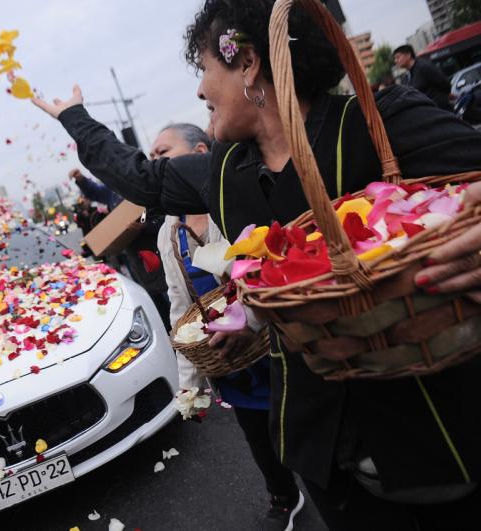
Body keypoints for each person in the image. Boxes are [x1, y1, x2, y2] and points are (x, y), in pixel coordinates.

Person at [32, 0, 481, 527]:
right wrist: (75, 119)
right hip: (323, 447)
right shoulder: (222, 171)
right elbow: (139, 178)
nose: (199, 91)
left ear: (247, 63)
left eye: (204, 70)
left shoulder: (379, 121)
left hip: (441, 432)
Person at [154, 122, 303, 529]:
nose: (154, 165)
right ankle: (284, 496)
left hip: (273, 338)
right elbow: (178, 305)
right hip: (227, 355)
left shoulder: (238, 200)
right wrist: (191, 383)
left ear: (200, 153)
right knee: (256, 431)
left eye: (162, 154)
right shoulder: (170, 232)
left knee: (301, 417)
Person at [71, 168, 174, 331]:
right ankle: (168, 333)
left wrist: (144, 225)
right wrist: (81, 180)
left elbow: (164, 218)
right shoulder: (113, 192)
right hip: (137, 260)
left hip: (158, 253)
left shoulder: (144, 184)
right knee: (154, 303)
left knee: (173, 299)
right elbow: (95, 191)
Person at [393, 44, 452, 111]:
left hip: (441, 111)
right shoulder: (406, 77)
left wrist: (443, 97)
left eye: (398, 57)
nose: (396, 61)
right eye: (395, 59)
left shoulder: (423, 67)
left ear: (408, 55)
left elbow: (444, 83)